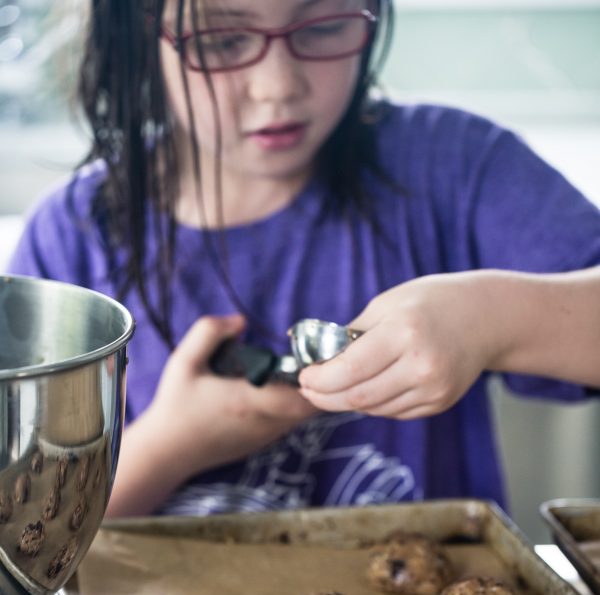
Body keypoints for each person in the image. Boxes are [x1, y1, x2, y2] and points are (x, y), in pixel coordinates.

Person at [7, 0, 600, 519]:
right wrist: (172, 444)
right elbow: (27, 526)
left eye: (322, 26)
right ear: (136, 35)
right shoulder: (73, 237)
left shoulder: (456, 168)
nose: (278, 86)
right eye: (222, 41)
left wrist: (495, 319)